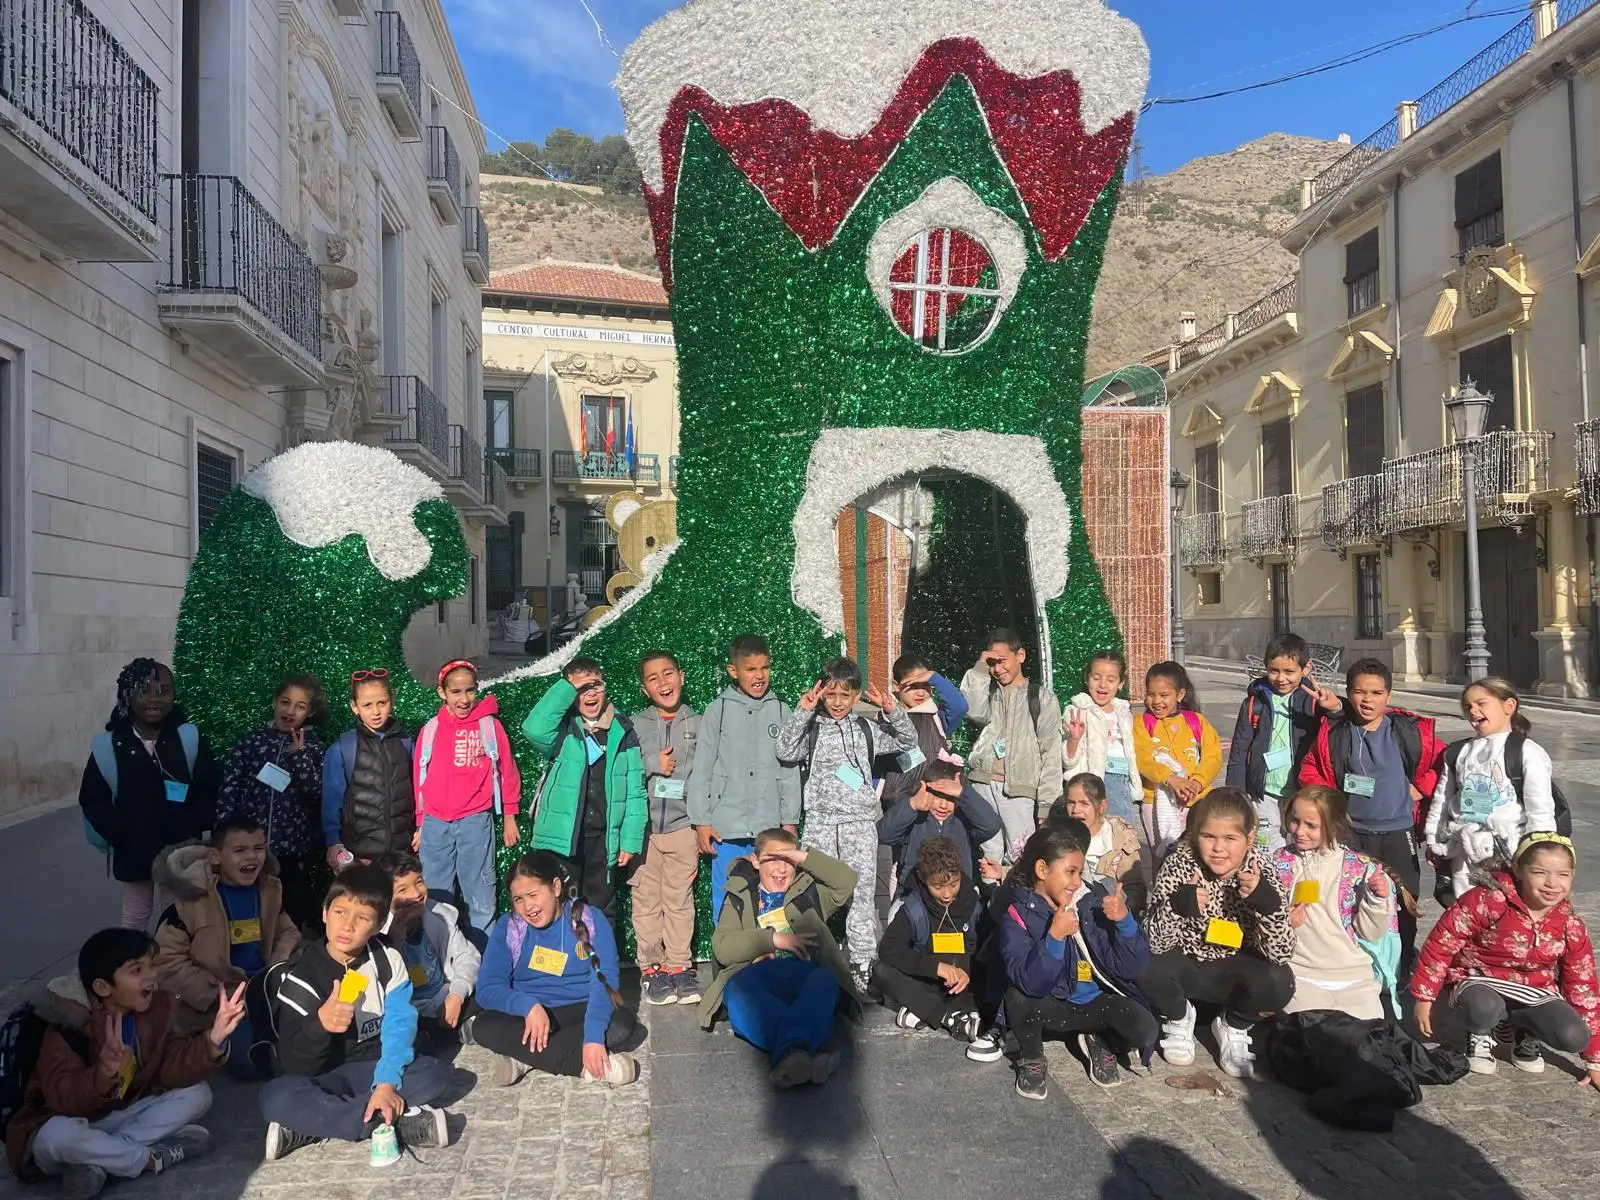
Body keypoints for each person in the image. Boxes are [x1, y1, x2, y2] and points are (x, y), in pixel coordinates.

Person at [4, 928, 242, 1198]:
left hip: (120, 1114)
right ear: (103, 987)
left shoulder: (157, 1010)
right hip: (69, 1122)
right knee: (56, 1136)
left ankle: (98, 1162)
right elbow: (64, 1100)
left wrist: (212, 1040)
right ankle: (150, 1159)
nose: (151, 976)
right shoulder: (67, 1024)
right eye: (137, 970)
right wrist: (103, 1074)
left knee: (198, 1094)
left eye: (151, 966)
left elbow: (169, 1071)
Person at [258, 865, 454, 1161]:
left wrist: (386, 1084)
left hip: (376, 1066)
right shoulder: (301, 977)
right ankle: (393, 1121)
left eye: (362, 918)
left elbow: (399, 1026)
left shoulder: (387, 958)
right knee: (277, 1096)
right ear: (325, 913)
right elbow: (296, 1064)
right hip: (327, 1075)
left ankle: (314, 1126)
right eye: (340, 912)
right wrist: (320, 1024)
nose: (347, 926)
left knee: (434, 1073)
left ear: (378, 925)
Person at [777, 657, 918, 992]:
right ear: (821, 694)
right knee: (813, 895)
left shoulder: (867, 729)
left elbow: (908, 743)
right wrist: (803, 711)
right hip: (821, 825)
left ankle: (862, 963)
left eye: (845, 695)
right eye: (831, 695)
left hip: (859, 825)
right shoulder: (812, 727)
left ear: (856, 695)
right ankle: (813, 961)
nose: (837, 703)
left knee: (862, 895)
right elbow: (784, 750)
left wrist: (893, 711)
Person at [1412, 833, 1600, 1079]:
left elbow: (1582, 985)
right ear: (1519, 870)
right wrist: (1424, 997)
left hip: (1535, 990)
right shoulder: (1488, 899)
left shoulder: (1569, 924)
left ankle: (1525, 1031)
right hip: (1479, 980)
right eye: (1539, 872)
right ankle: (1479, 1033)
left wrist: (1595, 1060)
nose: (1552, 883)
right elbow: (1442, 943)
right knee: (1485, 1007)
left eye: (1562, 874)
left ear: (1572, 876)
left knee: (1574, 1035)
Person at [1142, 788, 1296, 1080]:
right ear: (1196, 834)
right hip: (1186, 962)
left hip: (1235, 968)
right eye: (1208, 836)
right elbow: (1155, 942)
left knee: (1280, 981)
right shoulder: (1178, 865)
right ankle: (1178, 1016)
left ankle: (1233, 1025)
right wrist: (1176, 907)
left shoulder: (1261, 872)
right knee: (1142, 961)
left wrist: (1268, 906)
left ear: (1249, 838)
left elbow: (1281, 952)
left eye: (1230, 838)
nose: (1218, 848)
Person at [1298, 658, 1441, 969]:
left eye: (1376, 693)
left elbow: (1443, 762)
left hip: (1398, 831)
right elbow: (1311, 768)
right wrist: (1330, 803)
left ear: (1388, 695)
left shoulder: (1407, 732)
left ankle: (1403, 959)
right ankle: (1356, 958)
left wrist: (1420, 788)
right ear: (1349, 694)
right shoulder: (1337, 733)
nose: (1368, 700)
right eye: (1360, 692)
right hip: (1353, 833)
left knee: (1405, 899)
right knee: (1350, 897)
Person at [999, 822, 1157, 1099]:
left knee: (1145, 1029)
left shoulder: (1091, 901)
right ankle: (1032, 1057)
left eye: (1080, 873)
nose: (1076, 881)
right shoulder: (1018, 913)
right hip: (1050, 1005)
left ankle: (1099, 1039)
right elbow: (1029, 982)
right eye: (1070, 872)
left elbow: (1132, 969)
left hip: (1095, 1003)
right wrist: (1055, 937)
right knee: (1017, 997)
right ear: (1042, 870)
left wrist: (1125, 922)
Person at [696, 829, 861, 1088]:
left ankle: (793, 1058)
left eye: (788, 860)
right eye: (773, 859)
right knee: (737, 993)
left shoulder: (809, 891)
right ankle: (805, 1053)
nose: (782, 869)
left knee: (824, 981)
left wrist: (803, 857)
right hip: (755, 975)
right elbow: (723, 947)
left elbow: (847, 880)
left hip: (803, 972)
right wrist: (773, 940)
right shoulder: (740, 894)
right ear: (755, 861)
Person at [471, 852, 640, 1087]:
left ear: (556, 888)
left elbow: (604, 981)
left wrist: (593, 1037)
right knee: (484, 1025)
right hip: (528, 1018)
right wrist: (527, 1006)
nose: (528, 907)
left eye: (533, 895)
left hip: (581, 1010)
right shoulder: (509, 928)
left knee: (621, 1024)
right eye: (518, 899)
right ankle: (587, 1067)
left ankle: (525, 1057)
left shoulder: (590, 920)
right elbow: (488, 988)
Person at [151, 817, 299, 1077]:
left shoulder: (269, 889)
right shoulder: (190, 899)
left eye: (259, 848)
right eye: (239, 850)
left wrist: (276, 966)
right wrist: (214, 994)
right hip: (216, 1004)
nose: (251, 857)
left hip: (262, 992)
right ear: (215, 857)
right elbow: (166, 961)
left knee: (307, 1043)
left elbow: (287, 930)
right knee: (252, 1064)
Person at [79, 659, 219, 933]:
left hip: (179, 848)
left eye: (163, 691)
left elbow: (208, 784)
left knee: (177, 912)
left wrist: (195, 823)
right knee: (136, 913)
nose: (154, 699)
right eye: (144, 691)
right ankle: (132, 957)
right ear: (127, 695)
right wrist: (119, 832)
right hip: (134, 847)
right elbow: (93, 798)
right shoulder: (111, 745)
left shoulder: (187, 738)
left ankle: (172, 956)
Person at [522, 658, 646, 924]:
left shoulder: (623, 730)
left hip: (603, 840)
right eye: (581, 688)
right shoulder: (563, 729)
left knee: (601, 911)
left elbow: (635, 790)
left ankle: (598, 954)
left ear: (605, 687)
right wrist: (567, 687)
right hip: (563, 841)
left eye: (595, 685)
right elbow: (533, 728)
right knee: (559, 908)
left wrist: (629, 841)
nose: (590, 693)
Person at [686, 634, 803, 917]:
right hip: (727, 828)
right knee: (728, 898)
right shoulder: (718, 710)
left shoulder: (781, 710)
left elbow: (789, 770)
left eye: (764, 668)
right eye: (750, 669)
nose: (759, 676)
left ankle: (771, 945)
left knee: (772, 895)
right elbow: (702, 768)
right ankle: (729, 946)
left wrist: (789, 820)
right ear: (733, 671)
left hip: (768, 826)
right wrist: (702, 821)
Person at [1424, 678, 1557, 902]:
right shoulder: (1458, 752)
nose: (1473, 710)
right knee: (1467, 909)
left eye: (1481, 703)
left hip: (1510, 853)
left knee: (1507, 911)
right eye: (1467, 706)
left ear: (1509, 706)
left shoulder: (1527, 751)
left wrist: (1538, 855)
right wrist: (1433, 839)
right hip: (1464, 853)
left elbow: (1540, 809)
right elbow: (1442, 799)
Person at [416, 660, 522, 941]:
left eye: (470, 690)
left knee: (480, 893)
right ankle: (439, 957)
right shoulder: (431, 729)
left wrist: (509, 815)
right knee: (434, 895)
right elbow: (420, 777)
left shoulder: (489, 726)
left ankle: (482, 956)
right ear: (442, 692)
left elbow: (507, 771)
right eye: (456, 692)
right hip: (435, 823)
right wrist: (420, 824)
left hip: (475, 821)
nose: (464, 699)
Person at [1271, 786, 1398, 1019]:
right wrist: (1281, 920)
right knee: (1309, 1031)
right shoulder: (1279, 863)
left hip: (1354, 977)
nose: (1299, 831)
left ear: (1334, 825)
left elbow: (1370, 933)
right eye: (1295, 820)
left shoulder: (1359, 868)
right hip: (1300, 974)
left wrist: (1376, 899)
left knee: (1366, 1034)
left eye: (1311, 825)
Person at [217, 675, 328, 931]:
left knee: (291, 911)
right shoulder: (252, 741)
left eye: (300, 706)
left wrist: (299, 758)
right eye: (285, 702)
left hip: (291, 850)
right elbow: (230, 786)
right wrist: (225, 832)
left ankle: (290, 952)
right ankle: (253, 952)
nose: (290, 711)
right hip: (249, 848)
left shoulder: (314, 747)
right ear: (274, 702)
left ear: (310, 712)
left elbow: (317, 793)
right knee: (250, 907)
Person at [629, 650, 703, 1006]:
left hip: (682, 828)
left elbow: (707, 774)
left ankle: (679, 966)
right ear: (645, 689)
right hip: (642, 831)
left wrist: (701, 820)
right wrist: (651, 763)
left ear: (681, 676)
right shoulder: (634, 724)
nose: (663, 683)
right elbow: (623, 767)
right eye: (653, 678)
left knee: (679, 902)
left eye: (668, 674)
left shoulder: (699, 722)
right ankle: (652, 969)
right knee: (645, 903)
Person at [877, 653, 969, 915]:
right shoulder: (887, 718)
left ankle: (935, 912)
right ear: (896, 686)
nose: (920, 692)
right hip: (900, 801)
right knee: (900, 862)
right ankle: (898, 912)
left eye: (925, 685)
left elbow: (960, 706)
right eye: (912, 686)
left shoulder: (937, 718)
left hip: (934, 801)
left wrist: (935, 678)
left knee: (933, 857)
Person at [961, 628, 1063, 863]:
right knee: (987, 855)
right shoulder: (988, 691)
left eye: (1002, 660)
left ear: (1020, 655)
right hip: (983, 784)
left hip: (1019, 790)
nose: (997, 669)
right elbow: (973, 711)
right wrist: (980, 668)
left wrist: (1046, 805)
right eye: (992, 663)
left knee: (1021, 854)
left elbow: (1051, 753)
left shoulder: (1042, 698)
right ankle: (989, 889)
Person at [873, 836, 982, 1043]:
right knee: (881, 971)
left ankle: (920, 1009)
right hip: (927, 979)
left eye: (954, 884)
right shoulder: (914, 908)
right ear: (924, 880)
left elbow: (981, 949)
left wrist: (966, 972)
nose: (947, 894)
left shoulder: (974, 904)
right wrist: (935, 968)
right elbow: (889, 949)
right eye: (938, 887)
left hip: (962, 982)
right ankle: (948, 1017)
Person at [1225, 634, 1324, 856]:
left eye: (1289, 672)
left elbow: (1334, 737)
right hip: (1264, 793)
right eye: (1273, 670)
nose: (1281, 678)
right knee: (1267, 850)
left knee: (1303, 848)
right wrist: (1236, 794)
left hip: (1302, 792)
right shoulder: (1254, 703)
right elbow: (1239, 750)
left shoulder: (1314, 701)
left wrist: (1333, 709)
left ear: (1306, 668)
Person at [375, 851, 480, 1052]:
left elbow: (468, 956)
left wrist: (457, 995)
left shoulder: (439, 914)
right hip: (406, 1011)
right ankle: (440, 1033)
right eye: (403, 889)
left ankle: (447, 1030)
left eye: (419, 882)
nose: (416, 893)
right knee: (406, 1036)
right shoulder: (376, 932)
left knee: (486, 994)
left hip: (442, 997)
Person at [322, 668, 416, 870]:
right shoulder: (343, 748)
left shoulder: (406, 742)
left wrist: (421, 827)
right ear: (354, 706)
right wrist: (333, 841)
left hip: (401, 856)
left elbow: (418, 791)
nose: (376, 712)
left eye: (382, 703)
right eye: (367, 705)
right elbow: (331, 800)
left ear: (392, 700)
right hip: (359, 859)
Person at [878, 757, 1001, 902]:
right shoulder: (914, 818)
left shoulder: (964, 821)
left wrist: (964, 793)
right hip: (916, 895)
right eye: (937, 796)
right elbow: (883, 834)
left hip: (957, 897)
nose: (943, 805)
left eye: (950, 799)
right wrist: (911, 805)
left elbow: (991, 826)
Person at [1132, 661, 1221, 859]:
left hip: (1196, 800)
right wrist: (1170, 779)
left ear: (1180, 695)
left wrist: (1197, 782)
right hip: (1155, 802)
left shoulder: (1197, 721)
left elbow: (1213, 756)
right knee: (1162, 857)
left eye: (1164, 695)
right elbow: (1142, 757)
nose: (1156, 701)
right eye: (1151, 694)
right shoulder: (1141, 723)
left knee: (1197, 855)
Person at [1062, 650, 1141, 826]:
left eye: (1111, 680)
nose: (1103, 685)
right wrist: (1074, 739)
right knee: (1089, 832)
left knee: (1122, 831)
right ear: (1087, 678)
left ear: (1120, 683)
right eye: (1096, 678)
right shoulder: (1078, 711)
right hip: (1090, 784)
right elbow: (1069, 760)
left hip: (1121, 781)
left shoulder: (1124, 713)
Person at [1049, 774, 1146, 916]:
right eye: (1071, 803)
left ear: (1101, 806)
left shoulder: (1119, 839)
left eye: (1084, 803)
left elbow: (1135, 889)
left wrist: (1120, 905)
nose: (1075, 810)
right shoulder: (1057, 836)